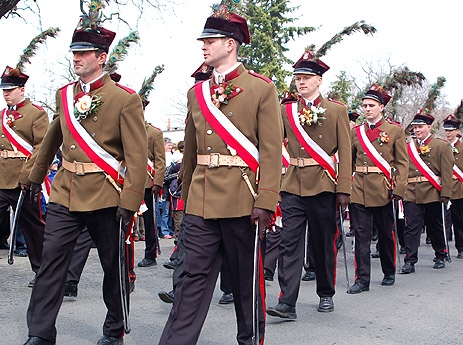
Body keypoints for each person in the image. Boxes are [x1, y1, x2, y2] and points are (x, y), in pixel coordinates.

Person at [158, 5, 282, 345]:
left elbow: (271, 150)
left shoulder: (261, 89)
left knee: (245, 282)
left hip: (244, 200)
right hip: (201, 199)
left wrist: (267, 199)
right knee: (190, 280)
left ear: (231, 44)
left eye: (211, 40)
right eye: (204, 40)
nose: (204, 45)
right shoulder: (196, 93)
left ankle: (250, 340)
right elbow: (191, 152)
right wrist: (183, 193)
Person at [23, 20, 147, 345]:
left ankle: (113, 331)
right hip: (66, 190)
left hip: (106, 194)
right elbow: (53, 138)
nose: (77, 58)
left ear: (102, 57)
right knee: (50, 264)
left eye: (84, 53)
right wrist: (35, 177)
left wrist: (130, 201)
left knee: (112, 266)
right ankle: (39, 333)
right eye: (74, 52)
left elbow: (136, 156)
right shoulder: (64, 94)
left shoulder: (124, 99)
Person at [267, 49, 351, 319]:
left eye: (306, 78)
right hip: (292, 185)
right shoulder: (286, 110)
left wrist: (344, 189)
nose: (301, 82)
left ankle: (326, 293)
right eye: (298, 78)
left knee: (323, 243)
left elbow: (346, 152)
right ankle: (287, 302)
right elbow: (274, 144)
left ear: (319, 80)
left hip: (324, 185)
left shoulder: (336, 110)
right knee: (290, 243)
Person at [348, 84, 408, 293]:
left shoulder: (394, 131)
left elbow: (402, 163)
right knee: (361, 236)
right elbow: (348, 162)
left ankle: (389, 271)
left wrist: (399, 188)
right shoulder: (356, 132)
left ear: (381, 107)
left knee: (385, 233)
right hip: (359, 189)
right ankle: (362, 279)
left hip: (384, 189)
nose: (367, 109)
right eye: (364, 105)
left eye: (372, 105)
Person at [0, 65, 48, 285]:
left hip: (24, 180)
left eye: (10, 90)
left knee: (32, 227)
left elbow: (41, 148)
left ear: (22, 89)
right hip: (1, 179)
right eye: (4, 90)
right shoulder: (2, 116)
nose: (6, 94)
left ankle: (41, 270)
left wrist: (29, 177)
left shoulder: (36, 114)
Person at [401, 111, 453, 273]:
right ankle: (410, 260)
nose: (417, 130)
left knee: (435, 224)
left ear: (429, 127)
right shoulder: (407, 147)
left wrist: (446, 193)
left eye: (420, 127)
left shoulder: (441, 146)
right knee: (411, 227)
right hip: (411, 191)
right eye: (415, 128)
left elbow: (446, 172)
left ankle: (440, 254)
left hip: (432, 191)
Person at [442, 115, 463, 259]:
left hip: (459, 189)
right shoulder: (441, 146)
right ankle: (443, 249)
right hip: (443, 189)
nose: (448, 133)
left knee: (458, 220)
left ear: (457, 131)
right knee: (443, 221)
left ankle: (461, 246)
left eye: (451, 130)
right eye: (446, 131)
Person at [137, 119, 165, 268]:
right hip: (129, 181)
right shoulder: (128, 129)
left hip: (148, 183)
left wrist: (158, 182)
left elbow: (160, 160)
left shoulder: (154, 133)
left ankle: (150, 254)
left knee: (149, 222)